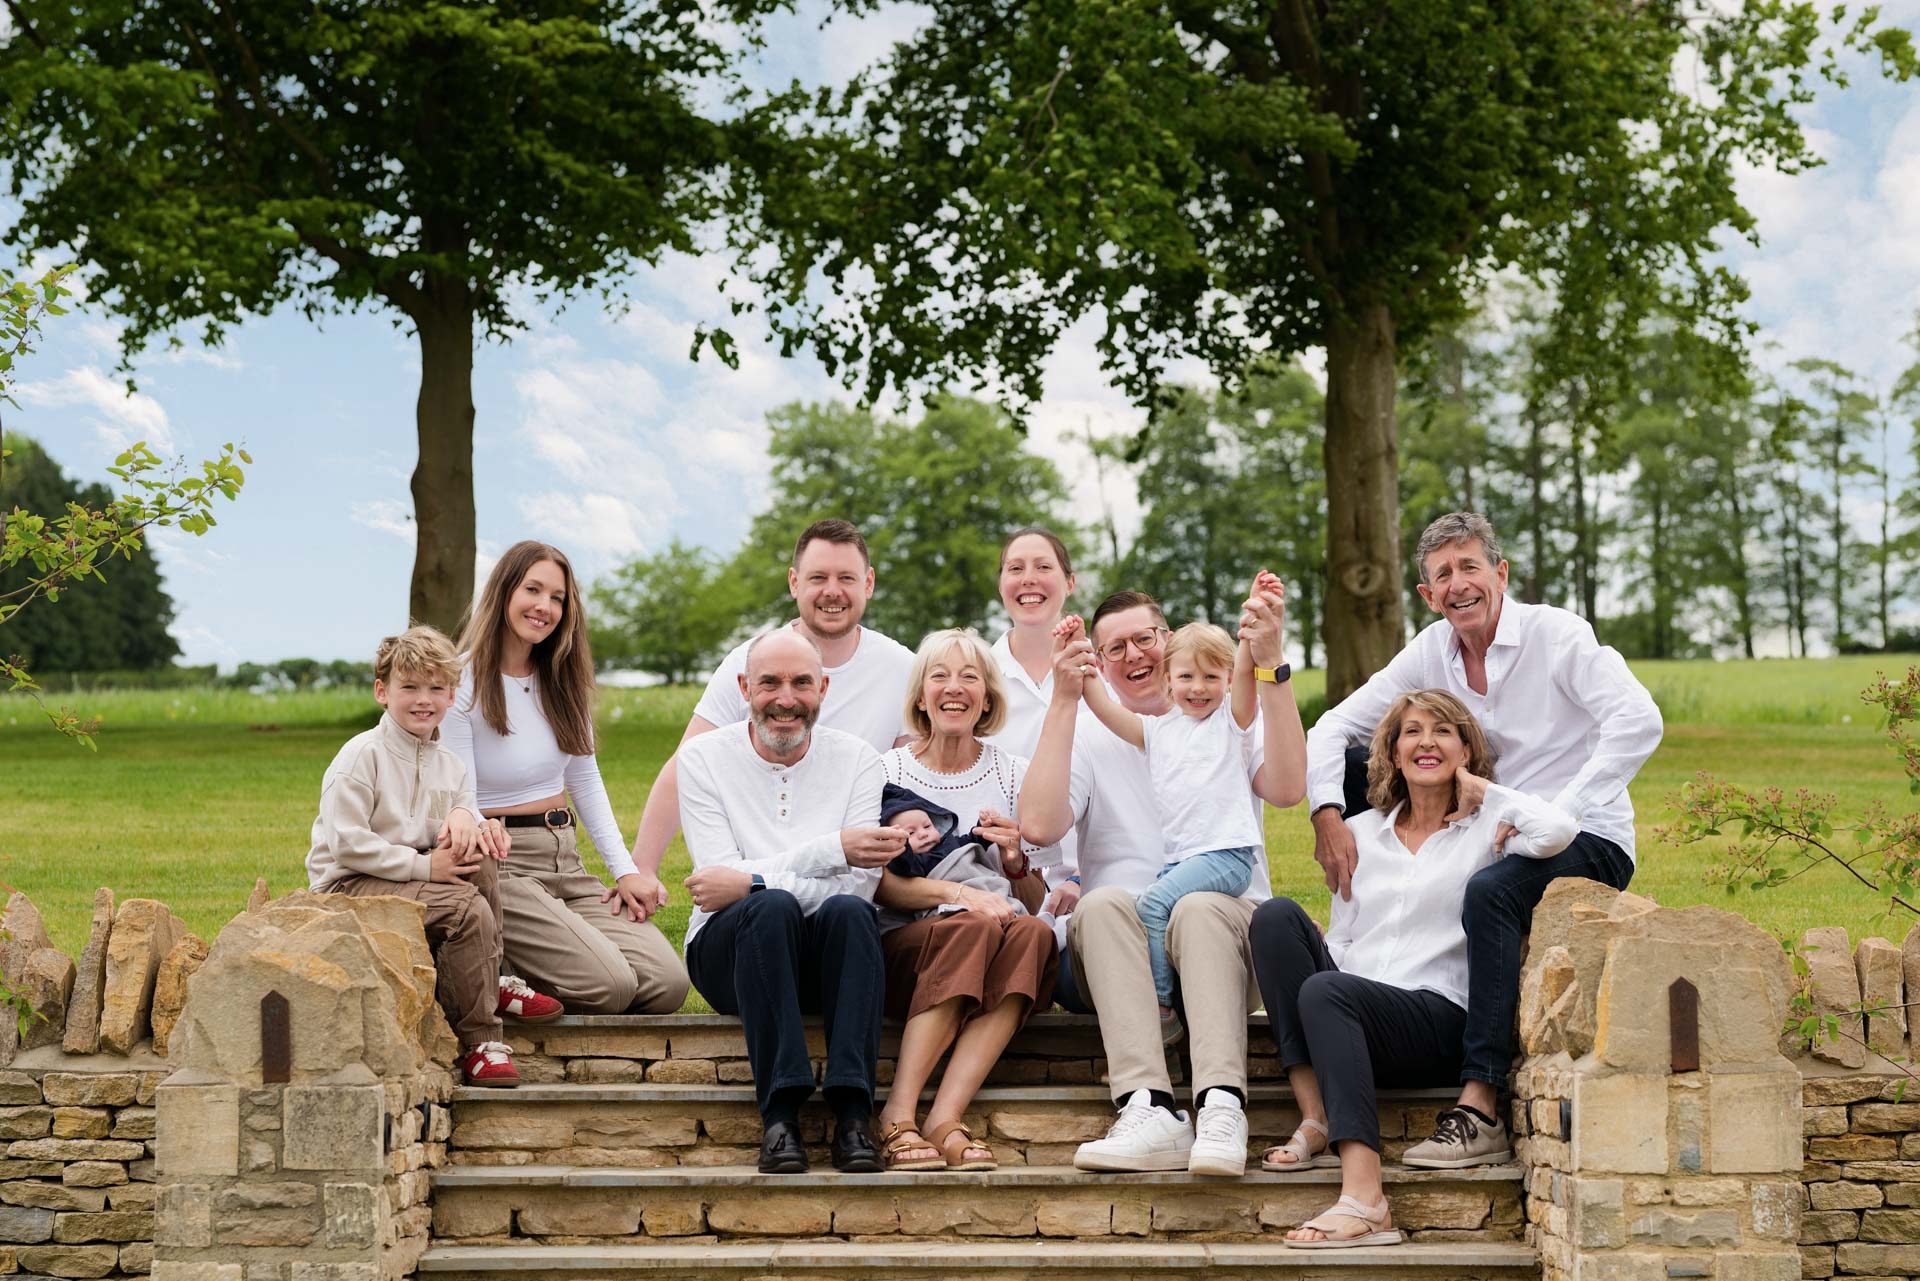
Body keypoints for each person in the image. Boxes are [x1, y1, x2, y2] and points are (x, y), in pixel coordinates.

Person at [1303, 512, 1663, 1167]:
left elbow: (1639, 718)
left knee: (1490, 892)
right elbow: (1331, 727)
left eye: (1470, 566)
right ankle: (1376, 943)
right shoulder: (1430, 649)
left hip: (1587, 834)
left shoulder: (1555, 635)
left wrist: (1565, 809)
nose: (1458, 583)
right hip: (1492, 826)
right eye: (1443, 574)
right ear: (1427, 593)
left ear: (1500, 573)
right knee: (1373, 756)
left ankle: (1478, 1105)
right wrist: (1327, 813)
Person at [1253, 689, 1578, 1247]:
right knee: (1276, 917)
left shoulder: (1492, 829)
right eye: (1412, 731)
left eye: (1443, 730)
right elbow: (1348, 933)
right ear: (1393, 751)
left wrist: (1487, 793)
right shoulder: (1359, 833)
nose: (1426, 741)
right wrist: (1332, 981)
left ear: (1466, 750)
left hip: (1437, 1018)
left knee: (1329, 991)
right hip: (1355, 1012)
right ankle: (1317, 1116)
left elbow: (1559, 832)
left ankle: (1366, 1199)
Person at [1020, 577, 1306, 1178]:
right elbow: (1040, 827)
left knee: (1196, 907)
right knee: (1097, 905)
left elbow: (1285, 790)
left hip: (1225, 929)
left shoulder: (1228, 720)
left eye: (1144, 639)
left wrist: (1270, 662)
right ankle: (1147, 1107)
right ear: (1099, 662)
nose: (1133, 655)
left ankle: (1221, 1104)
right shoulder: (1106, 735)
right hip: (1122, 947)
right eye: (1114, 648)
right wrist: (1065, 697)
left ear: (1168, 640)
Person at [678, 629, 900, 1175]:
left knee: (849, 913)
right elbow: (715, 884)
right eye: (769, 682)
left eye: (802, 682)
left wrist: (750, 881)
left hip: (826, 957)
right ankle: (779, 1114)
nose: (785, 698)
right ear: (743, 688)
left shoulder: (859, 760)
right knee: (770, 909)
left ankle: (853, 1112)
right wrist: (831, 849)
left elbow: (857, 888)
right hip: (729, 956)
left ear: (822, 688)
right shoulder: (702, 759)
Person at [622, 519, 914, 922]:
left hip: (847, 878)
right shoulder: (750, 661)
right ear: (794, 583)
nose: (832, 591)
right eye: (818, 577)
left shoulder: (902, 668)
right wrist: (643, 866)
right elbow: (687, 763)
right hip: (760, 870)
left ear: (868, 583)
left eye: (846, 577)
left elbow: (912, 774)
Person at [443, 541, 689, 1016]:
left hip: (565, 857)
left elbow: (587, 783)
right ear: (503, 592)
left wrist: (625, 871)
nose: (545, 607)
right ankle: (490, 968)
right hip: (502, 865)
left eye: (558, 597)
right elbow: (460, 794)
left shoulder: (562, 680)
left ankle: (528, 957)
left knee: (666, 984)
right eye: (532, 590)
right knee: (612, 987)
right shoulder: (462, 682)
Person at [307, 626, 535, 1086]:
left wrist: (478, 824)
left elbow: (460, 808)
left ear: (452, 696)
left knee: (481, 857)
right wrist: (425, 866)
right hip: (349, 884)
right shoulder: (360, 756)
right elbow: (347, 843)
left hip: (408, 875)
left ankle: (495, 979)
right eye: (408, 686)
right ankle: (483, 1042)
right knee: (465, 907)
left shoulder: (449, 763)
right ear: (382, 692)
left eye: (436, 687)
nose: (422, 699)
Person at [870, 629, 1058, 1172]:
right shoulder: (887, 772)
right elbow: (881, 887)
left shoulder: (1011, 774)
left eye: (969, 677)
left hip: (990, 937)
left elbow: (1030, 899)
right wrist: (962, 894)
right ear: (921, 696)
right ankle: (897, 1115)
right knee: (972, 926)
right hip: (906, 944)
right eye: (940, 676)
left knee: (1037, 934)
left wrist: (1017, 858)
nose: (955, 688)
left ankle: (944, 1118)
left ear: (989, 697)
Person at [1072, 617, 1263, 1029]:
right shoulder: (1158, 732)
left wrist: (1249, 633)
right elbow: (1103, 708)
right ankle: (1177, 998)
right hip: (1184, 859)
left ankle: (1161, 1008)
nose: (1198, 688)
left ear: (1227, 680)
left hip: (1226, 853)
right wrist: (1082, 655)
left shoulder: (1231, 723)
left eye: (1212, 677)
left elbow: (1247, 673)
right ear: (1168, 679)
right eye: (1186, 676)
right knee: (1154, 914)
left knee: (1153, 904)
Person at [985, 527, 1087, 1001]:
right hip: (1002, 883)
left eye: (1044, 567)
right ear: (1001, 583)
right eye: (1015, 568)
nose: (1029, 579)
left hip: (1091, 882)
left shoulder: (1102, 674)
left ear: (1070, 581)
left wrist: (1086, 878)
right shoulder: (976, 678)